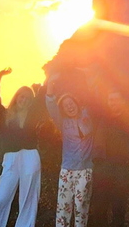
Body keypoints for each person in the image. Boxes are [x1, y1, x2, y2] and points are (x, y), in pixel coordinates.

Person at [0, 67, 47, 227]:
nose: (24, 99)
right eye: (21, 96)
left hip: (30, 156)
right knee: (1, 198)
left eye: (27, 97)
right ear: (16, 97)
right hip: (11, 158)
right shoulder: (5, 115)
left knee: (29, 199)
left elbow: (42, 97)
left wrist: (48, 75)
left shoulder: (33, 114)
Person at [44, 69, 94, 227]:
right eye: (66, 106)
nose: (69, 107)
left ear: (77, 103)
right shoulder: (62, 123)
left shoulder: (88, 116)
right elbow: (50, 104)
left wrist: (90, 78)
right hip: (67, 170)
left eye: (71, 103)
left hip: (85, 170)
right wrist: (50, 83)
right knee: (63, 207)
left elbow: (95, 100)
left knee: (82, 208)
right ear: (63, 109)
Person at [88, 89, 129, 227]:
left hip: (122, 170)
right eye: (111, 100)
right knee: (99, 208)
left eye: (117, 99)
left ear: (123, 102)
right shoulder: (103, 119)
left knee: (119, 209)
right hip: (103, 169)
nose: (113, 103)